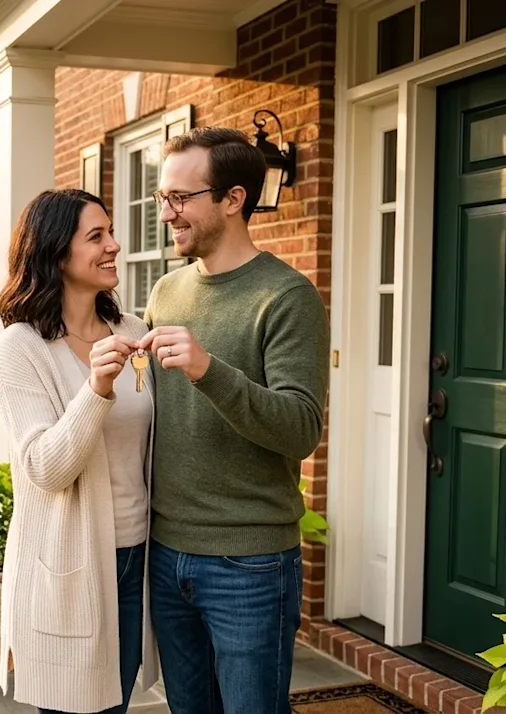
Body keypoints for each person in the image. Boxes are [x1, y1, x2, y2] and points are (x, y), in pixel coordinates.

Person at [137, 127, 330, 713]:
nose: (167, 213)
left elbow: (301, 428)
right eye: (162, 198)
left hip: (249, 563)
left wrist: (207, 369)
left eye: (180, 199)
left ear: (232, 199)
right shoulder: (166, 292)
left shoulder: (286, 297)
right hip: (167, 552)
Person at [0, 188, 161, 714]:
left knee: (118, 703)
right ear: (56, 253)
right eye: (97, 236)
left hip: (139, 558)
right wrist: (97, 389)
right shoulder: (22, 346)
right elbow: (44, 467)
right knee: (78, 709)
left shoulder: (131, 331)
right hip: (69, 564)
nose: (114, 244)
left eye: (111, 231)